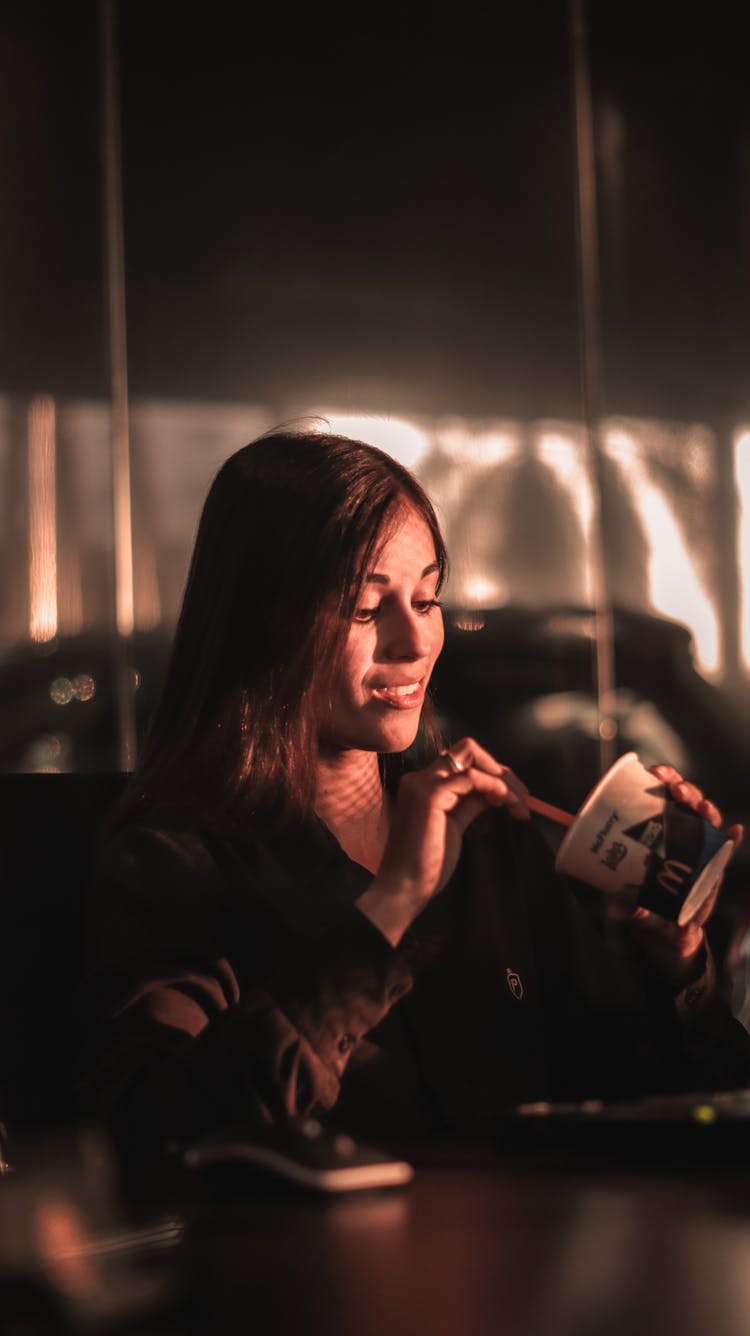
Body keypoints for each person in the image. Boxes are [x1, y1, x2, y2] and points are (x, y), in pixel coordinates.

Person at [79, 428, 750, 1178]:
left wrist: (678, 971)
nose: (415, 640)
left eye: (427, 597)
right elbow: (155, 1135)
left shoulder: (493, 836)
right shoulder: (174, 858)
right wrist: (391, 906)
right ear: (263, 619)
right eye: (368, 609)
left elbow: (673, 1108)